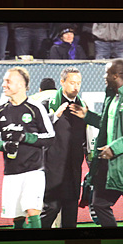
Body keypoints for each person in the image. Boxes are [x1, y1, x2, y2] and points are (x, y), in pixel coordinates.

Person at [69, 59, 123, 227]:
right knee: (99, 204)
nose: (104, 76)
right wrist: (87, 116)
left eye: (107, 73)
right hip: (111, 164)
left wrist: (114, 148)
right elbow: (107, 123)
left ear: (115, 75)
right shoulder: (112, 95)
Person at [0, 67, 55, 229]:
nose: (4, 84)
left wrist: (25, 137)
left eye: (8, 81)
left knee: (32, 210)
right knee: (17, 217)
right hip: (11, 172)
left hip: (34, 171)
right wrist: (3, 145)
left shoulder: (35, 108)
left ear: (21, 84)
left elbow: (50, 137)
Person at [41, 67, 88, 228]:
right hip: (52, 169)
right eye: (72, 83)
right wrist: (55, 116)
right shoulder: (47, 104)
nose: (76, 87)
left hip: (73, 168)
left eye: (78, 83)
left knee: (70, 214)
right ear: (62, 82)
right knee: (50, 209)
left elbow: (87, 140)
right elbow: (36, 129)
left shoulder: (83, 107)